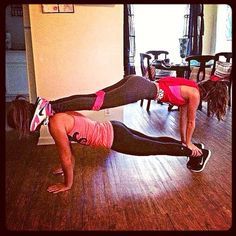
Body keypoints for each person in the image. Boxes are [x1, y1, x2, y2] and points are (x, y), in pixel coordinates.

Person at [7, 99, 211, 194]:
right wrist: (64, 167)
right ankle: (193, 147)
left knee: (155, 147)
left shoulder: (54, 124)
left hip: (116, 138)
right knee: (154, 141)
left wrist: (67, 184)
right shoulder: (57, 114)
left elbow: (67, 157)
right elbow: (72, 145)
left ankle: (198, 152)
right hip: (114, 127)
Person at [29, 75, 228, 157]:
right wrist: (188, 142)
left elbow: (184, 120)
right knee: (96, 103)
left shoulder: (192, 88)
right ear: (212, 96)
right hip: (141, 88)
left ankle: (48, 106)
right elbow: (191, 121)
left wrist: (186, 142)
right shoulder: (194, 95)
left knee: (94, 99)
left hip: (138, 82)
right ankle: (49, 106)